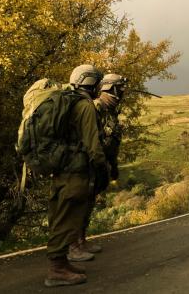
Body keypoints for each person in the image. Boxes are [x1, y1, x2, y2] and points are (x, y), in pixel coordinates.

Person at [45, 64, 107, 287]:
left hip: (60, 168)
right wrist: (103, 168)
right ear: (89, 82)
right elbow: (94, 145)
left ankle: (62, 263)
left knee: (59, 215)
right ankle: (57, 270)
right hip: (76, 171)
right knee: (69, 218)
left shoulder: (64, 101)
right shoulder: (84, 105)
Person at [75, 73, 127, 256]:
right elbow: (89, 139)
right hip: (86, 165)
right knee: (81, 204)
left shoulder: (111, 111)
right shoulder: (94, 107)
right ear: (111, 89)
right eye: (120, 90)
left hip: (100, 166)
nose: (122, 94)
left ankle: (81, 241)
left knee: (88, 203)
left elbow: (112, 141)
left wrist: (113, 167)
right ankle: (74, 245)